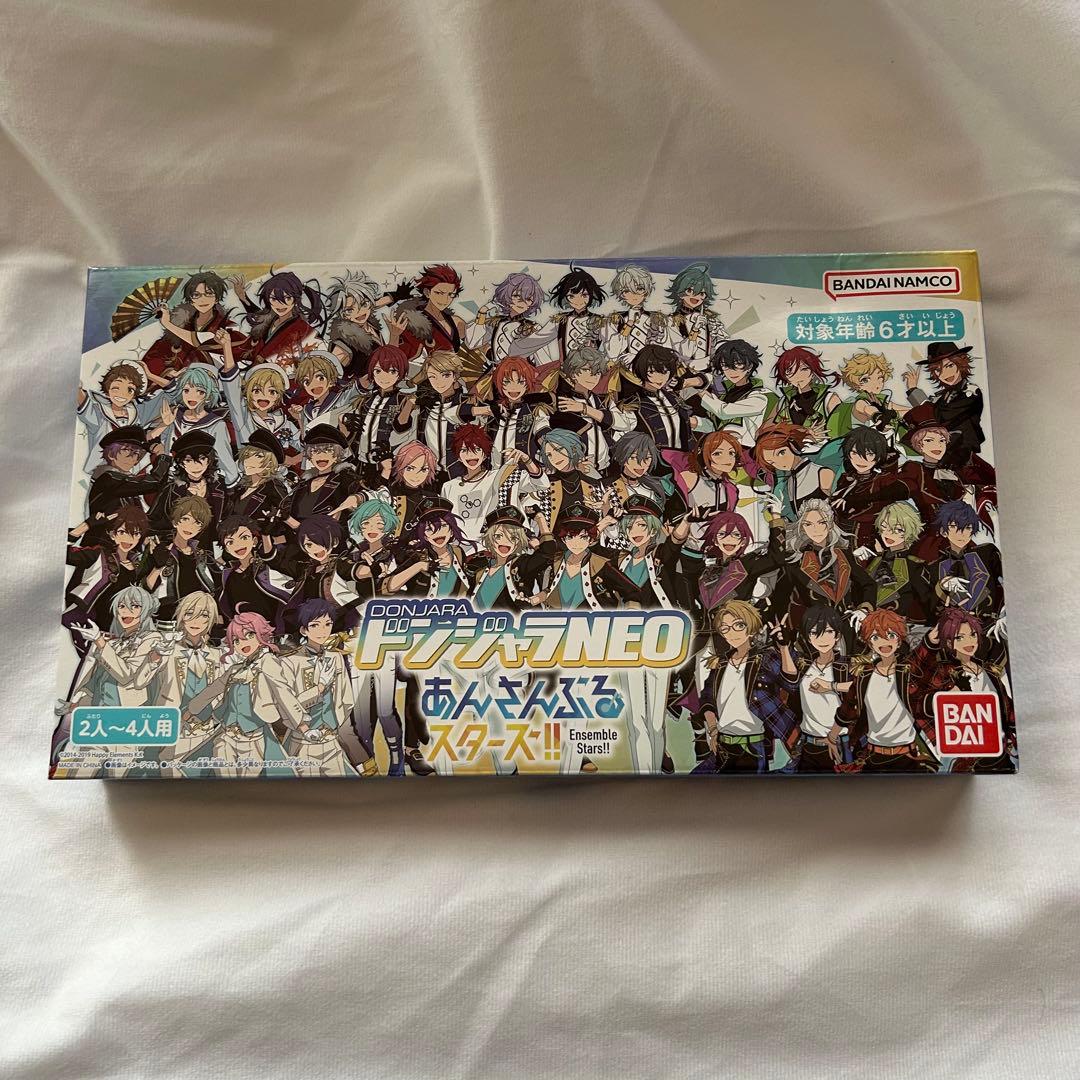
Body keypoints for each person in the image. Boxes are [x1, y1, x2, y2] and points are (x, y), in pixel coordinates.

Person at [183, 612, 305, 778]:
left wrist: (300, 722)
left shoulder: (268, 663)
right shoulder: (235, 670)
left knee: (248, 783)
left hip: (253, 738)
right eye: (236, 640)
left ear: (261, 635)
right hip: (226, 736)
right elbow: (213, 690)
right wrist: (190, 710)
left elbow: (283, 692)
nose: (243, 643)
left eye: (249, 635)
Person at [691, 599, 798, 774]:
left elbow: (791, 682)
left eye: (738, 625)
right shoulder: (720, 663)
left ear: (751, 628)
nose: (732, 633)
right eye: (725, 628)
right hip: (724, 745)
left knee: (749, 791)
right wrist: (713, 729)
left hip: (753, 747)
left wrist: (784, 648)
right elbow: (707, 699)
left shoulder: (764, 658)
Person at [909, 607, 1016, 773]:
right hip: (963, 761)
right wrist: (929, 643)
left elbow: (1008, 713)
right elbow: (912, 685)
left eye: (973, 635)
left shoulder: (990, 673)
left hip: (997, 757)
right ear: (949, 642)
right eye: (960, 637)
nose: (969, 641)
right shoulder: (943, 672)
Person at [830, 608, 936, 772]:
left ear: (899, 641)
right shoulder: (864, 677)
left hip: (907, 757)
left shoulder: (908, 672)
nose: (884, 642)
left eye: (891, 635)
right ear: (869, 643)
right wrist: (831, 737)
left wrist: (934, 637)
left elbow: (923, 654)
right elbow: (847, 709)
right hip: (873, 757)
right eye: (876, 637)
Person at [137, 592, 224, 777]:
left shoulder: (217, 656)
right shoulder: (168, 650)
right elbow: (140, 682)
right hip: (173, 731)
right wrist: (155, 657)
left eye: (204, 615)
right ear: (181, 616)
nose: (195, 620)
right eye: (189, 613)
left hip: (207, 733)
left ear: (211, 620)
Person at [280, 600, 365, 777]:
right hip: (303, 741)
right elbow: (288, 704)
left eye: (327, 624)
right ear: (304, 630)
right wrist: (319, 687)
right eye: (315, 625)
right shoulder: (290, 661)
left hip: (330, 739)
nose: (322, 631)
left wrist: (334, 725)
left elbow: (345, 698)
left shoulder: (335, 657)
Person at [440, 424, 548, 544]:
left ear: (485, 454)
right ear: (458, 456)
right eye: (464, 450)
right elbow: (447, 522)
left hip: (502, 543)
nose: (471, 455)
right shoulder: (449, 487)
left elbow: (542, 484)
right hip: (465, 548)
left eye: (477, 449)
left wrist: (527, 461)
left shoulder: (502, 476)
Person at [787, 606, 851, 773]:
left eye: (828, 632)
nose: (822, 638)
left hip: (838, 743)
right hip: (808, 743)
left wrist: (830, 686)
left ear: (837, 636)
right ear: (808, 638)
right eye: (815, 632)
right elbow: (789, 681)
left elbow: (862, 688)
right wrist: (783, 646)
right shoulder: (803, 665)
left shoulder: (846, 665)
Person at [902, 341, 985, 468]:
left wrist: (913, 391)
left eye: (950, 366)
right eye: (937, 370)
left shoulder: (970, 392)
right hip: (941, 453)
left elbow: (938, 416)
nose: (944, 374)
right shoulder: (942, 397)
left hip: (962, 455)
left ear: (960, 364)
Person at [152, 363, 238, 485]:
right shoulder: (173, 415)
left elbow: (224, 460)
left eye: (200, 391)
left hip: (200, 482)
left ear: (209, 395)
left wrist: (229, 485)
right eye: (186, 390)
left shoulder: (216, 425)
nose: (192, 396)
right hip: (170, 480)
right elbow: (162, 444)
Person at [142, 495, 221, 623]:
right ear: (175, 522)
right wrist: (157, 568)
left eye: (197, 523)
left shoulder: (201, 555)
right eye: (185, 519)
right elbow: (144, 589)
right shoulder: (158, 549)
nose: (190, 526)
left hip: (196, 618)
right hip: (166, 617)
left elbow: (214, 586)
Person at [231, 270, 323, 366]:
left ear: (295, 299)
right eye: (274, 299)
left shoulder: (302, 328)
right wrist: (243, 298)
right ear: (268, 299)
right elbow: (258, 315)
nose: (280, 305)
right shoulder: (270, 319)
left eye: (287, 298)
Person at [695, 339, 774, 448]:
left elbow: (724, 412)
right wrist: (695, 422)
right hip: (724, 448)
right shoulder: (726, 393)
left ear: (750, 366)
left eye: (738, 364)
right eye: (725, 366)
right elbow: (718, 426)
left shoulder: (761, 396)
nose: (731, 371)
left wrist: (701, 391)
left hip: (747, 450)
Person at [464, 271, 546, 367]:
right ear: (507, 296)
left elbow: (542, 361)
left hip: (522, 374)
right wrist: (482, 312)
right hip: (496, 372)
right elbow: (472, 343)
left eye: (528, 299)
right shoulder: (495, 323)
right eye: (517, 296)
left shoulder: (533, 328)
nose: (522, 302)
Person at [391, 264, 467, 360]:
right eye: (439, 293)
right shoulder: (412, 324)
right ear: (427, 292)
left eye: (451, 294)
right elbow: (396, 361)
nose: (445, 299)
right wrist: (394, 336)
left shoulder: (457, 322)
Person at [664, 262, 728, 375]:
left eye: (701, 293)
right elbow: (685, 353)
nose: (696, 296)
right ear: (680, 293)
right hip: (685, 373)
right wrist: (695, 329)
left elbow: (722, 343)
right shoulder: (672, 320)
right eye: (690, 291)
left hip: (711, 372)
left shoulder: (711, 319)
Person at [604, 263, 669, 369]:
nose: (634, 294)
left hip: (649, 369)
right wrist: (629, 323)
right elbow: (612, 352)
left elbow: (662, 349)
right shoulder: (616, 319)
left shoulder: (656, 318)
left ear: (646, 291)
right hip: (623, 370)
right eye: (627, 291)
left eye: (639, 288)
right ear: (621, 294)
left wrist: (637, 356)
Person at [771, 346, 841, 429]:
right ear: (785, 376)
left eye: (804, 369)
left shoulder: (829, 399)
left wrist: (811, 412)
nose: (797, 375)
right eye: (789, 371)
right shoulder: (784, 401)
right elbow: (777, 430)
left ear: (813, 371)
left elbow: (840, 429)